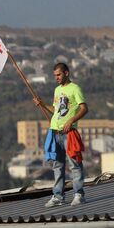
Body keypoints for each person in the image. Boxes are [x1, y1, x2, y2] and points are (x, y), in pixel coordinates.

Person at [34, 62, 89, 207]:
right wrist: (42, 104)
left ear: (66, 73)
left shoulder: (75, 89)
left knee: (74, 164)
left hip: (69, 133)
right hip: (55, 132)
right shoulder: (57, 90)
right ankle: (58, 196)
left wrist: (71, 120)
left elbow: (84, 108)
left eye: (58, 75)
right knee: (57, 165)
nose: (56, 78)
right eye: (54, 76)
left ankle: (79, 194)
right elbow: (56, 110)